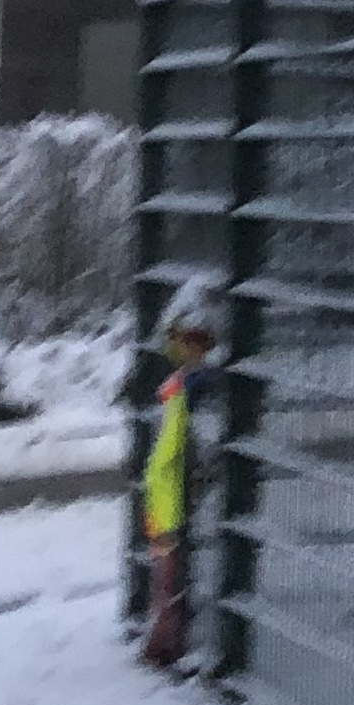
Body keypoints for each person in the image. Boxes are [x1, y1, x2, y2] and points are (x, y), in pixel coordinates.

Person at [136, 277, 220, 670]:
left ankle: (169, 642)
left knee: (172, 576)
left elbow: (193, 448)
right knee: (166, 573)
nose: (180, 348)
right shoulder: (179, 387)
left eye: (188, 341)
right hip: (163, 500)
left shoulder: (196, 388)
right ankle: (166, 638)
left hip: (176, 501)